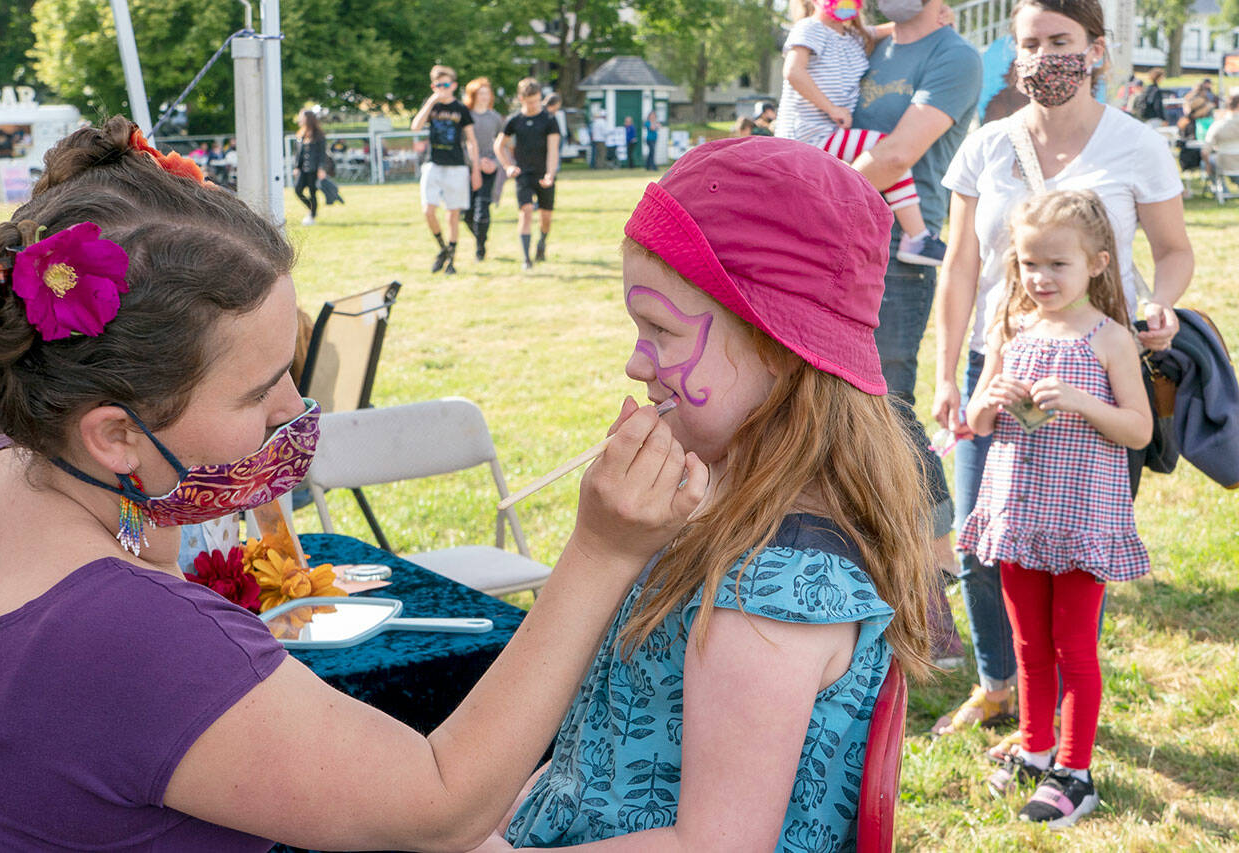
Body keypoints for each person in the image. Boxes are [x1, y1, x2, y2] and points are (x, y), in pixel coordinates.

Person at [0, 115, 706, 850]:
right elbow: (440, 805)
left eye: (289, 364)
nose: (292, 405)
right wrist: (602, 550)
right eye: (255, 393)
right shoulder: (134, 634)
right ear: (116, 434)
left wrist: (153, 504)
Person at [488, 137, 934, 851]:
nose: (637, 363)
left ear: (779, 348)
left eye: (660, 330)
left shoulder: (772, 588)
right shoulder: (718, 511)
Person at [931, 0, 1192, 747]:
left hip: (1099, 373)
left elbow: (1173, 248)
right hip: (1000, 365)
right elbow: (959, 266)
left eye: (1061, 42)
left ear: (1097, 51)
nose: (1045, 56)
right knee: (986, 545)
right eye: (1029, 44)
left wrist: (1161, 306)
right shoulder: (984, 146)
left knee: (1079, 547)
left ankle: (1067, 701)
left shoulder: (1136, 145)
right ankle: (999, 685)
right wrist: (949, 372)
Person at [960, 190, 1151, 827]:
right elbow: (977, 420)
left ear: (1097, 262)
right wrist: (992, 400)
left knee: (1074, 646)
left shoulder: (1110, 338)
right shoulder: (1011, 329)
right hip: (1018, 510)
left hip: (1079, 517)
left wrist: (1079, 400)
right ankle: (1036, 751)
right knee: (1028, 645)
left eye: (1057, 265)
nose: (1040, 278)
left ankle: (1076, 770)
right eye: (1029, 264)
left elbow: (1138, 431)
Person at [848, 0, 981, 667]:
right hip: (842, 237)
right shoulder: (872, 46)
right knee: (849, 411)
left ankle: (934, 597)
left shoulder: (955, 56)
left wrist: (811, 189)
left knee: (892, 412)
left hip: (904, 253)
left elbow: (900, 150)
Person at [774, 0, 945, 266]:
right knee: (885, 149)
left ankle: (913, 237)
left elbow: (879, 31)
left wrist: (933, 17)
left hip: (827, 132)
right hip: (806, 136)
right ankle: (917, 236)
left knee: (886, 156)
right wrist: (831, 108)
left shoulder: (854, 35)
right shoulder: (809, 29)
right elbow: (793, 71)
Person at [410, 64, 481, 275]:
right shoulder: (431, 106)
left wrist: (474, 168)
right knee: (428, 210)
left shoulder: (461, 109)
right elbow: (415, 127)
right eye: (438, 85)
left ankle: (452, 259)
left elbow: (471, 141)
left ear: (454, 85)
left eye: (446, 84)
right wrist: (432, 101)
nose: (443, 88)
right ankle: (443, 248)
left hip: (456, 166)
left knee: (452, 214)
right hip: (434, 163)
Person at [495, 77, 560, 270]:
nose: (534, 105)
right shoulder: (514, 121)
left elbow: (553, 149)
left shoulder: (549, 119)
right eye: (530, 101)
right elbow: (499, 146)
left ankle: (542, 243)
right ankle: (526, 258)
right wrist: (508, 166)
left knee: (546, 217)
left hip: (543, 174)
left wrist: (550, 174)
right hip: (523, 174)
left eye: (537, 100)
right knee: (526, 211)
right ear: (521, 99)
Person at [462, 76, 505, 261]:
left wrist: (494, 162)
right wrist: (475, 162)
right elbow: (462, 144)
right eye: (481, 93)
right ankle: (481, 238)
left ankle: (480, 249)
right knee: (468, 213)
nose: (485, 97)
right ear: (473, 95)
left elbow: (502, 143)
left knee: (482, 208)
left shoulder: (495, 118)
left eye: (488, 93)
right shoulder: (466, 116)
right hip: (468, 169)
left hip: (489, 169)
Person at [292, 110, 327, 226]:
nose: (300, 119)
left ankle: (312, 215)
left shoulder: (319, 135)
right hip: (303, 169)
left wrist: (321, 168)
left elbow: (322, 154)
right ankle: (311, 210)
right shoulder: (300, 135)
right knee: (298, 190)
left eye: (302, 117)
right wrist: (296, 167)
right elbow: (299, 153)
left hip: (314, 169)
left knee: (313, 192)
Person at [1203, 92, 1239, 188]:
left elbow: (1205, 151)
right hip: (1230, 162)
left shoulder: (1218, 125)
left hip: (1224, 162)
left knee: (1205, 162)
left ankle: (1222, 191)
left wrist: (1207, 164)